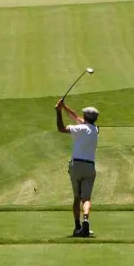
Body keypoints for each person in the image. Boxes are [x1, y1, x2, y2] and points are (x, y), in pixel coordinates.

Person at [56, 99, 100, 237]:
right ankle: (86, 220)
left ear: (85, 116)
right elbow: (76, 117)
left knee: (76, 198)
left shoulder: (79, 129)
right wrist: (64, 107)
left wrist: (58, 112)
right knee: (86, 198)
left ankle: (77, 227)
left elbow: (61, 129)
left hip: (76, 166)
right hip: (90, 167)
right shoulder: (96, 129)